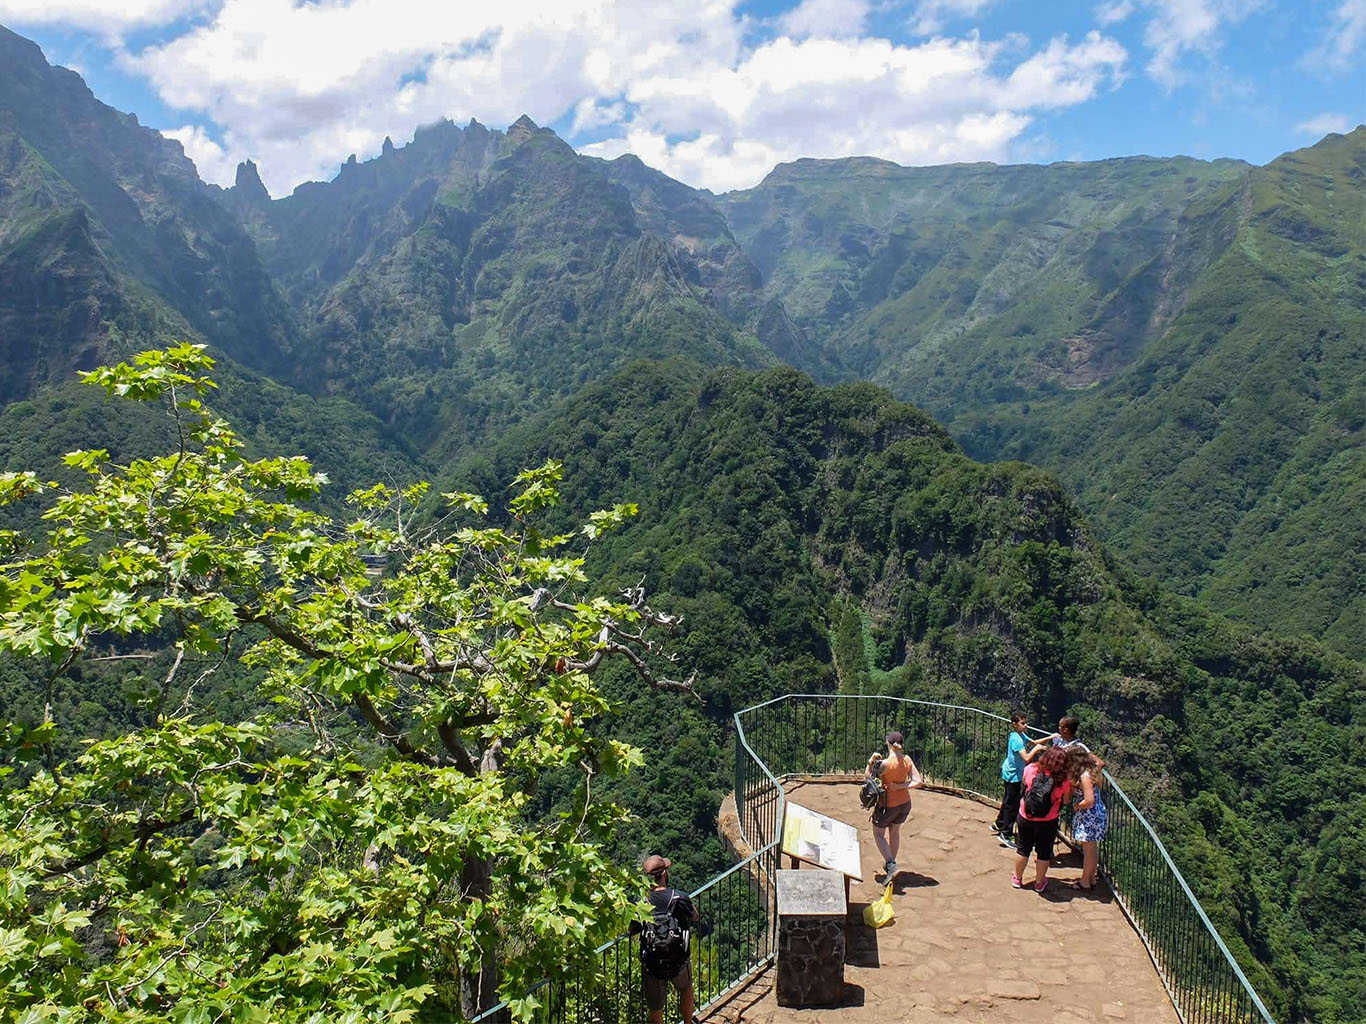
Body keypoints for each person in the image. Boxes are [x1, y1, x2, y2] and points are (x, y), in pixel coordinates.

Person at [637, 854, 700, 1024]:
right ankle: (688, 1022)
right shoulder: (678, 897)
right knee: (686, 990)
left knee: (655, 1008)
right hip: (677, 960)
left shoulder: (642, 902)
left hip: (653, 963)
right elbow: (695, 916)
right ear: (664, 874)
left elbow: (633, 928)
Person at [1012, 746, 1072, 893]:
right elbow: (1065, 801)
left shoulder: (1031, 769)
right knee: (1043, 852)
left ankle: (1017, 879)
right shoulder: (1064, 781)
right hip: (1048, 821)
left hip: (1026, 816)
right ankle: (1039, 883)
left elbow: (1025, 785)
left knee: (1023, 849)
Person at [865, 730, 923, 877]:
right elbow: (918, 781)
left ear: (888, 744)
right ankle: (891, 863)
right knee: (895, 832)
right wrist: (900, 786)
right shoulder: (907, 760)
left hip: (887, 805)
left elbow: (868, 779)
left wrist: (870, 762)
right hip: (904, 803)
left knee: (878, 834)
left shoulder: (884, 764)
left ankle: (890, 863)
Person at [991, 710, 1044, 848]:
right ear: (1014, 724)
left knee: (1008, 800)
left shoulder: (1018, 735)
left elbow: (1034, 742)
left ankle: (999, 823)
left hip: (1010, 772)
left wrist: (1048, 740)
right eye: (1023, 723)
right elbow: (1026, 757)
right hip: (1013, 775)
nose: (1026, 725)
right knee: (1012, 805)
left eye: (1026, 723)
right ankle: (1006, 834)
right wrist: (1037, 750)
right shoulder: (1017, 740)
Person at [1066, 747, 1108, 891]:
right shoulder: (1091, 770)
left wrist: (1078, 805)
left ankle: (1085, 881)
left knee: (1088, 851)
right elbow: (1100, 762)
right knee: (1092, 849)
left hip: (1089, 816)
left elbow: (1089, 800)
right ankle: (1091, 878)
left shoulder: (1084, 776)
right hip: (1096, 814)